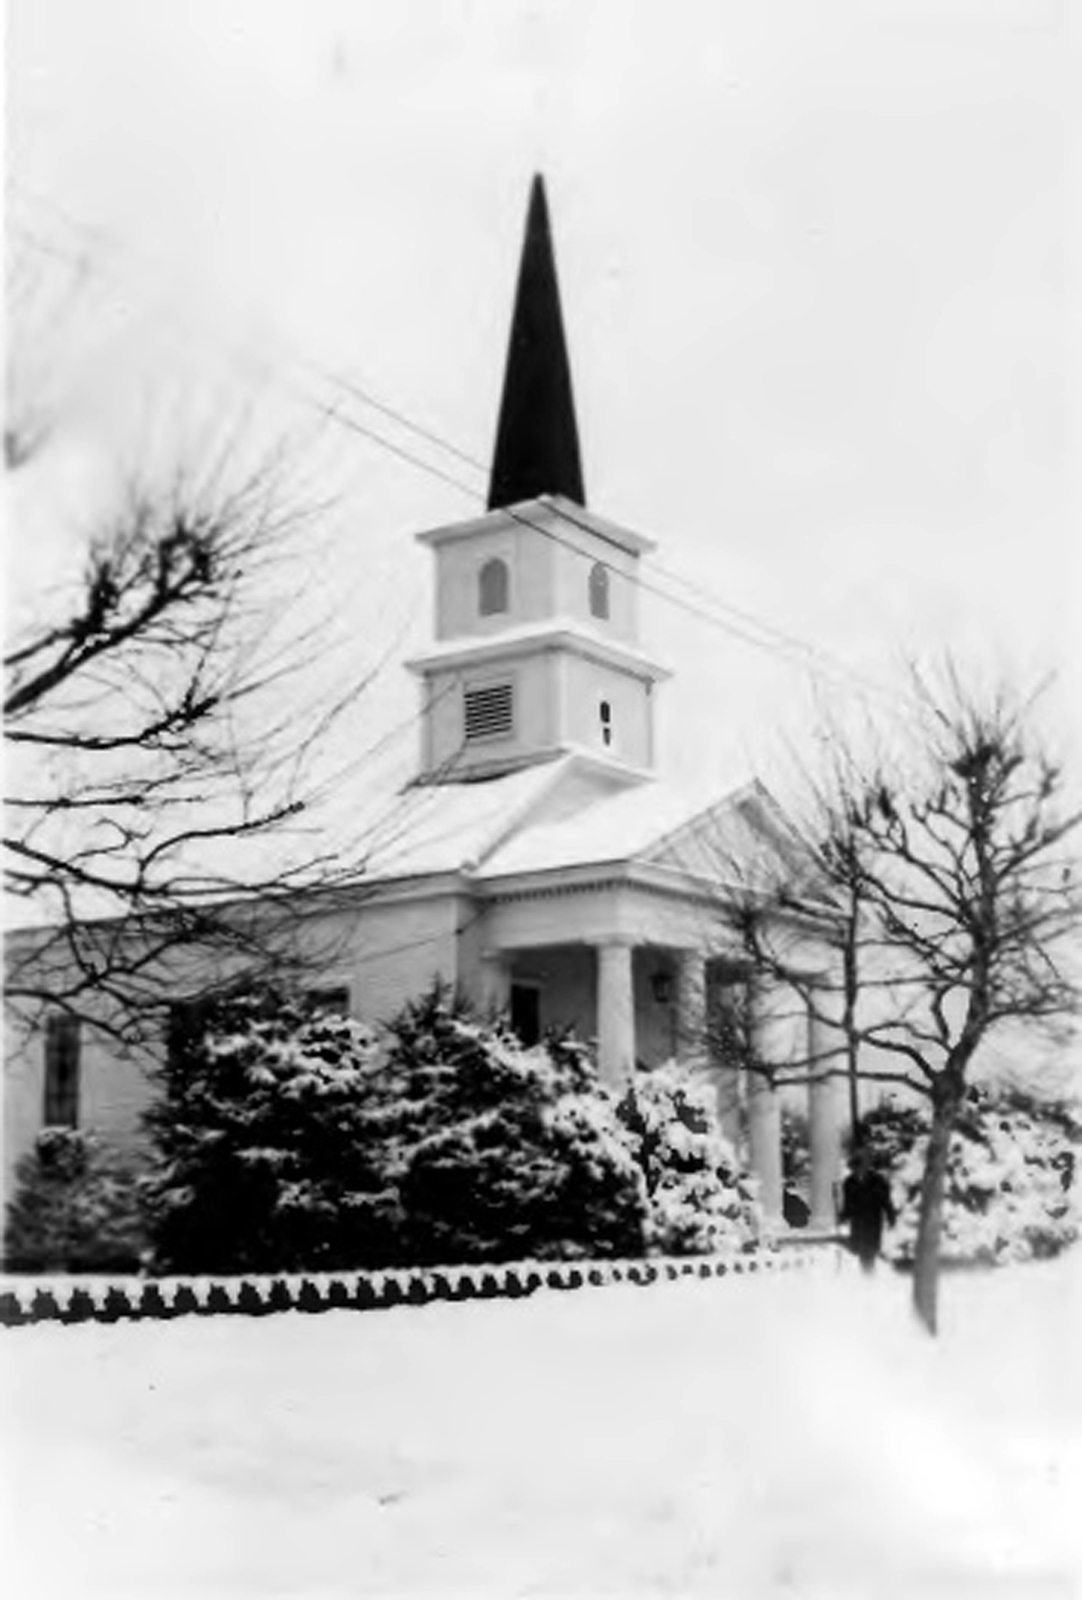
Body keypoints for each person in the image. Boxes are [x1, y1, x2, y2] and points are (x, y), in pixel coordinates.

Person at [838, 1144, 896, 1272]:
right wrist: (843, 1216)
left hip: (872, 1221)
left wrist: (891, 1216)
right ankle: (866, 1277)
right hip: (858, 1222)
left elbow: (885, 1201)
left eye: (858, 1167)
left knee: (869, 1253)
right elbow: (848, 1203)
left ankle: (869, 1278)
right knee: (860, 1252)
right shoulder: (849, 1182)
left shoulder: (878, 1180)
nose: (856, 1170)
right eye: (854, 1168)